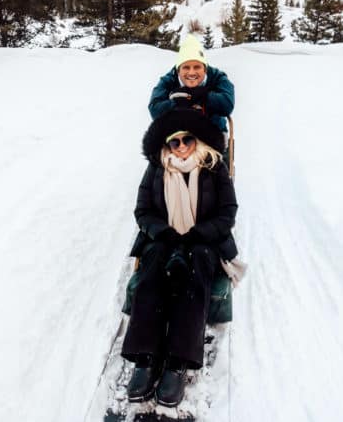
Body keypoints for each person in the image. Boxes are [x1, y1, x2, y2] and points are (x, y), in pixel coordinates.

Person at [121, 109, 239, 407]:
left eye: (188, 139)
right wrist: (165, 234)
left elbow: (227, 212)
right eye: (176, 142)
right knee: (151, 273)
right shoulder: (157, 168)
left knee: (196, 274)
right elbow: (143, 211)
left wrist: (198, 235)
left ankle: (178, 360)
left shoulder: (214, 165)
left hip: (203, 240)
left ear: (196, 139)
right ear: (167, 145)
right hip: (165, 238)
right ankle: (145, 357)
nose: (183, 146)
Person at [148, 34, 234, 134]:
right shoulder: (168, 80)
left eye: (197, 67)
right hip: (177, 134)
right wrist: (176, 103)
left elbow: (227, 105)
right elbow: (154, 110)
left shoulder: (217, 77)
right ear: (178, 70)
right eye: (186, 67)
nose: (192, 73)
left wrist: (204, 96)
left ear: (205, 69)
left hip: (213, 132)